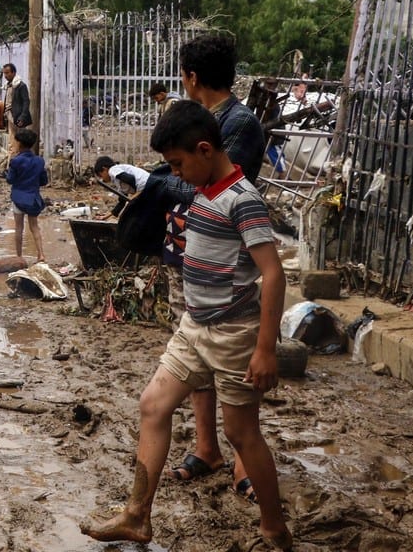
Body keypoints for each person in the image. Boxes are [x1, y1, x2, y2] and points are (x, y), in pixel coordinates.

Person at [81, 100, 291, 551]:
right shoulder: (202, 191)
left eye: (177, 163)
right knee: (153, 406)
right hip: (194, 326)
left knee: (240, 432)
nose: (175, 173)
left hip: (235, 333)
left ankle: (274, 527)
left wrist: (265, 349)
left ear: (203, 149)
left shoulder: (243, 200)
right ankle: (137, 516)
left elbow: (273, 274)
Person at [162, 34, 267, 496]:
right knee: (196, 353)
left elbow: (215, 190)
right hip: (192, 250)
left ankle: (243, 458)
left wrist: (155, 182)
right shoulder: (201, 120)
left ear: (191, 77)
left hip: (227, 261)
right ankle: (209, 447)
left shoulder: (236, 124)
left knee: (234, 371)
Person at [7, 128, 48, 261]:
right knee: (34, 227)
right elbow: (44, 181)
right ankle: (41, 254)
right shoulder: (39, 161)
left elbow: (10, 180)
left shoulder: (15, 161)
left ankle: (19, 257)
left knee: (19, 228)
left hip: (19, 198)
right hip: (33, 199)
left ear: (19, 144)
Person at [1, 63, 31, 129]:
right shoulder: (8, 85)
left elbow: (26, 102)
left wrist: (22, 117)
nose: (5, 76)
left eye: (7, 73)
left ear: (13, 72)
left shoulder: (21, 85)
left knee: (19, 137)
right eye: (4, 73)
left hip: (18, 118)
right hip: (9, 117)